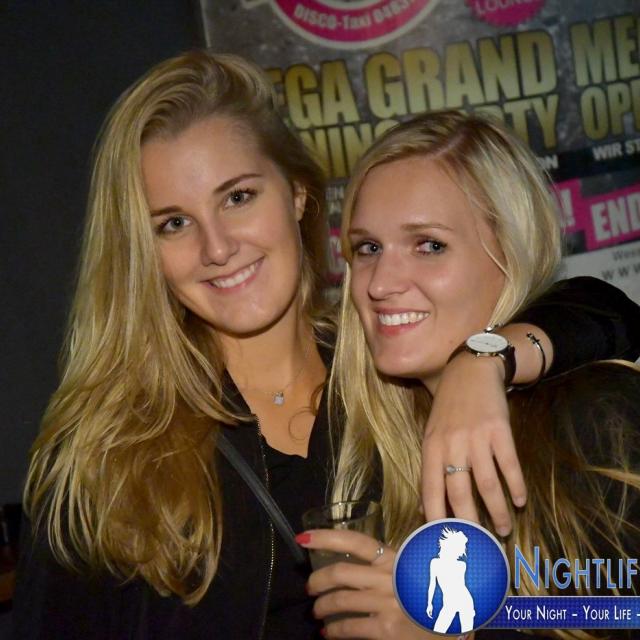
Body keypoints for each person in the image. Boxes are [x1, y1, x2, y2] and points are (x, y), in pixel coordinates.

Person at [12, 51, 640, 639]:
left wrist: (482, 359)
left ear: (297, 195)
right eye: (173, 223)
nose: (217, 247)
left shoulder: (393, 376)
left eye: (238, 197)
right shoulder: (106, 452)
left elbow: (605, 311)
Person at [300, 111, 640, 640]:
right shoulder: (361, 435)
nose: (380, 284)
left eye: (429, 245)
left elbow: (621, 613)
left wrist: (462, 630)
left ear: (509, 254)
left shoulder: (595, 417)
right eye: (368, 248)